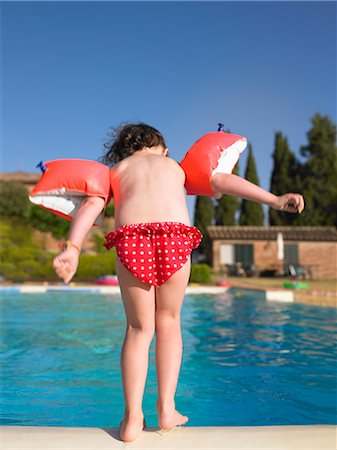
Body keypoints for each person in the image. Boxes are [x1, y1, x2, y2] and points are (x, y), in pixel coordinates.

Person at [52, 123, 304, 442]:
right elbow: (223, 180)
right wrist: (276, 200)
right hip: (175, 237)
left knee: (138, 329)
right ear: (163, 148)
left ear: (124, 151)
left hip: (133, 240)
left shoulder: (115, 172)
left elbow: (92, 206)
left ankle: (131, 417)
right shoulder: (177, 167)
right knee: (169, 322)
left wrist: (72, 249)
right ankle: (167, 408)